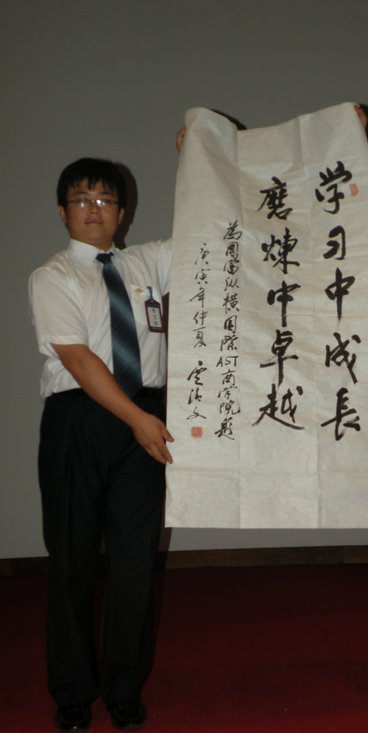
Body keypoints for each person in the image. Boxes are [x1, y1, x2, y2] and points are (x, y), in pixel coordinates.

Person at [29, 158, 174, 731]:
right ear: (61, 211)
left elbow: (211, 226)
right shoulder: (54, 275)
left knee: (136, 563)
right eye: (82, 200)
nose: (94, 210)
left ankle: (122, 686)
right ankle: (72, 690)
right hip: (80, 421)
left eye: (105, 200)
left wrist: (198, 147)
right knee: (72, 561)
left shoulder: (148, 263)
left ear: (122, 211)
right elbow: (78, 359)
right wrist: (136, 419)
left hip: (145, 420)